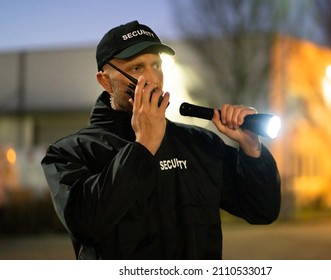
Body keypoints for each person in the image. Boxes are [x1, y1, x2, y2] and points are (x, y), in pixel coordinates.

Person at [41, 20, 281, 260]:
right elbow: (87, 225)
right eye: (136, 68)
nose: (152, 78)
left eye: (156, 65)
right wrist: (143, 147)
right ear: (105, 81)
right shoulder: (70, 152)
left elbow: (262, 210)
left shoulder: (199, 143)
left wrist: (251, 148)